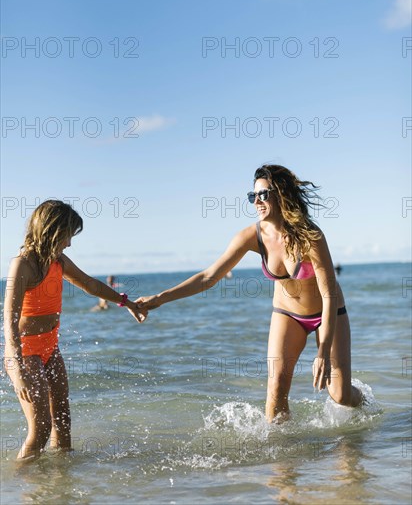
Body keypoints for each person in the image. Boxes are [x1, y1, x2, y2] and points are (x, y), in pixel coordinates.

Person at [137, 165, 363, 423]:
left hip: (327, 312)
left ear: (281, 194)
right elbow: (208, 277)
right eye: (252, 196)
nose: (256, 201)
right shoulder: (252, 236)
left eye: (263, 195)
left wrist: (322, 351)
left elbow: (329, 293)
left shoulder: (311, 236)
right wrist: (159, 298)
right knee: (276, 389)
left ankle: (364, 400)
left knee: (340, 395)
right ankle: (283, 459)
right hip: (288, 314)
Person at [3, 200, 146, 460]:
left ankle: (62, 482)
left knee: (63, 419)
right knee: (42, 428)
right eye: (68, 235)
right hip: (24, 353)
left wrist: (125, 302)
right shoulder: (22, 264)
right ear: (52, 231)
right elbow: (8, 320)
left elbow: (91, 285)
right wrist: (16, 367)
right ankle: (22, 486)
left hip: (49, 347)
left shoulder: (58, 260)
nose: (69, 243)